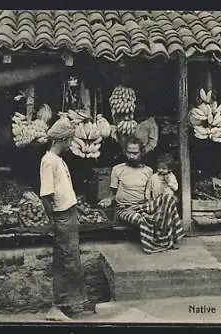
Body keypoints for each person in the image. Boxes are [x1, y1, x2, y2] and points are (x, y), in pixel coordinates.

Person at [98, 138, 184, 254]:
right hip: (125, 209)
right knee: (142, 219)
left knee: (168, 199)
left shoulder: (148, 171)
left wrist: (168, 196)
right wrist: (108, 199)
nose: (131, 156)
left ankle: (162, 233)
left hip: (144, 205)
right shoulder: (118, 169)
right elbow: (112, 192)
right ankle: (157, 243)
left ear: (142, 153)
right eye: (129, 152)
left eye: (135, 153)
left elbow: (157, 190)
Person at [39, 117, 87, 321]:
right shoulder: (48, 161)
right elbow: (46, 195)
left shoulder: (57, 160)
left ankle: (68, 303)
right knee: (67, 261)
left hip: (68, 214)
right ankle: (57, 307)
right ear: (64, 139)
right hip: (62, 217)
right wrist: (53, 223)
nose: (70, 144)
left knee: (70, 259)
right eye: (69, 140)